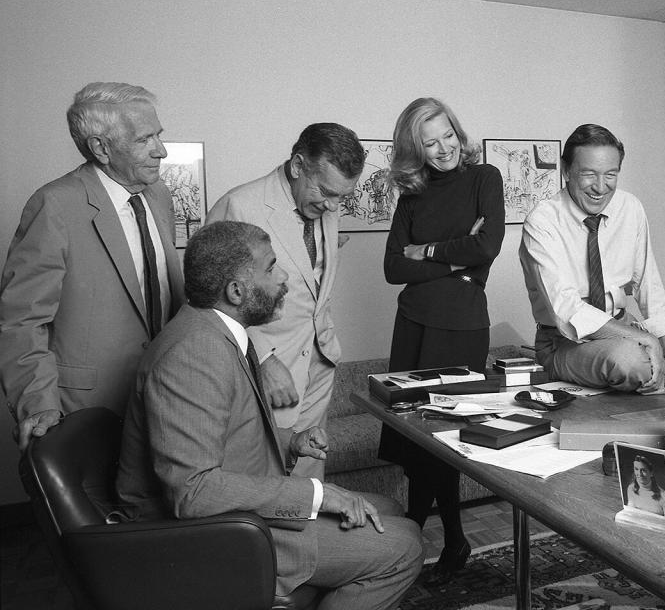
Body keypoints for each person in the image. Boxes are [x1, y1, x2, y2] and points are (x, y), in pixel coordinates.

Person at [115, 221, 422, 610]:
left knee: (388, 510)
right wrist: (319, 494)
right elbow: (193, 492)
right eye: (272, 267)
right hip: (210, 537)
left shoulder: (217, 334)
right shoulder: (193, 354)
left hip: (236, 516)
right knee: (406, 545)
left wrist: (292, 441)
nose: (285, 277)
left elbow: (224, 436)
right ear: (236, 291)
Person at [0, 82, 185, 451]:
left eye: (159, 136)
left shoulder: (160, 196)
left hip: (165, 399)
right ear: (101, 148)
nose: (161, 150)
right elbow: (22, 320)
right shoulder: (55, 206)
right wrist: (38, 404)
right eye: (144, 139)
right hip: (86, 410)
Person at [378, 97, 505, 584]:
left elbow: (487, 247)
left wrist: (427, 252)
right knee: (414, 438)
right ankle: (429, 538)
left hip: (462, 324)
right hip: (412, 323)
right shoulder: (411, 195)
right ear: (415, 148)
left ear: (458, 130)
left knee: (444, 438)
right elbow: (393, 267)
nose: (443, 148)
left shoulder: (484, 178)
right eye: (429, 142)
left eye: (447, 135)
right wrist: (458, 263)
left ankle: (449, 538)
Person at [205, 123, 365, 478]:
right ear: (297, 165)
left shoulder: (326, 205)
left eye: (342, 197)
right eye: (326, 191)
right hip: (267, 374)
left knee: (308, 486)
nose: (333, 205)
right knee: (265, 486)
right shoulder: (240, 205)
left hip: (318, 368)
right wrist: (262, 359)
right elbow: (209, 302)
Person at [519, 123, 665, 394]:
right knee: (632, 362)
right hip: (563, 343)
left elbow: (649, 285)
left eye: (610, 175)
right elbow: (566, 308)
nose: (600, 187)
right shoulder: (542, 220)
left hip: (622, 329)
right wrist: (646, 341)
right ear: (566, 170)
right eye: (589, 174)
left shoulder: (630, 208)